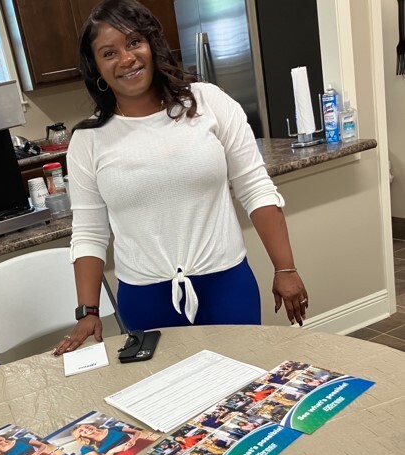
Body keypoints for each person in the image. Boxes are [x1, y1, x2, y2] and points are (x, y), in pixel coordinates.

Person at [53, 0, 308, 357]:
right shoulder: (87, 141)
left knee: (241, 393)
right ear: (95, 67)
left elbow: (255, 188)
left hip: (226, 285)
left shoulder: (209, 103)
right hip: (144, 299)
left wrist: (286, 268)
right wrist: (88, 311)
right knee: (166, 403)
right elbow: (90, 232)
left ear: (152, 46)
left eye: (134, 42)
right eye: (109, 52)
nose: (126, 59)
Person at [72, 422, 150, 455]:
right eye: (81, 431)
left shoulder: (113, 428)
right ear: (80, 436)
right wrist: (113, 450)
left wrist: (132, 441)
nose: (86, 429)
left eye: (86, 426)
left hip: (140, 444)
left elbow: (137, 432)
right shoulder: (86, 447)